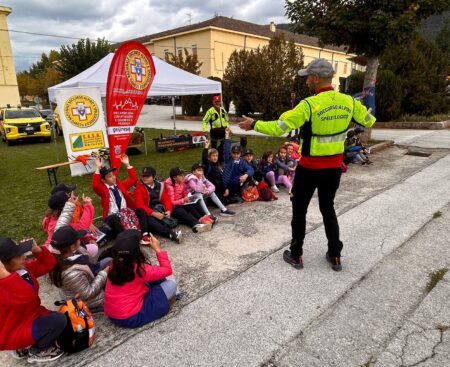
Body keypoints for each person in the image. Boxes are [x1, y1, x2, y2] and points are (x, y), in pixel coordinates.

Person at [238, 58, 376, 271]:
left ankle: (296, 255)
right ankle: (335, 255)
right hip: (334, 169)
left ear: (316, 78)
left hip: (310, 169)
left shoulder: (309, 105)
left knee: (299, 211)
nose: (306, 82)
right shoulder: (348, 101)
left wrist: (254, 124)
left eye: (307, 78)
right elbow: (368, 121)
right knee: (328, 208)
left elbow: (279, 127)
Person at [0, 237, 66, 363]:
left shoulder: (22, 270)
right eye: (18, 255)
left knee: (59, 319)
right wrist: (3, 275)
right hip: (10, 332)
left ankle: (21, 346)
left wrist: (37, 250)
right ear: (3, 265)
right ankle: (37, 351)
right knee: (58, 321)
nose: (24, 257)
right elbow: (25, 295)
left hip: (27, 316)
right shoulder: (3, 286)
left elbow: (49, 264)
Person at [104, 230, 177, 329]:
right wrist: (158, 249)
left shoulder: (114, 264)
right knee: (171, 284)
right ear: (136, 251)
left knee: (154, 278)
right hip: (131, 317)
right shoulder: (139, 269)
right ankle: (166, 301)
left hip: (112, 314)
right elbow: (167, 270)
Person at [49, 226, 111, 313]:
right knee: (116, 292)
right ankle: (93, 308)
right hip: (85, 301)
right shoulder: (71, 273)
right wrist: (103, 274)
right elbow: (88, 293)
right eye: (78, 239)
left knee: (108, 261)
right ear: (72, 247)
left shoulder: (62, 255)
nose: (80, 239)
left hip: (82, 284)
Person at [92, 155, 150, 243]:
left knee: (141, 211)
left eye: (113, 175)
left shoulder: (120, 185)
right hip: (112, 215)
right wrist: (98, 167)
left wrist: (127, 164)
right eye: (109, 176)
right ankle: (127, 238)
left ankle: (145, 234)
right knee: (114, 218)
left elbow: (134, 179)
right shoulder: (103, 190)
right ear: (103, 180)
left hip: (125, 212)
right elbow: (95, 185)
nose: (113, 177)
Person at [134, 167, 182, 244]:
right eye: (143, 176)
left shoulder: (160, 185)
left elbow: (166, 199)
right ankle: (171, 234)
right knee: (150, 220)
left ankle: (195, 223)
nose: (144, 178)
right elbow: (139, 205)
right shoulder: (139, 188)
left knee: (178, 210)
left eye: (147, 176)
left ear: (154, 177)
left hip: (159, 209)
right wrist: (153, 213)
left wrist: (169, 210)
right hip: (147, 212)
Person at [43, 190, 99, 257]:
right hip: (61, 253)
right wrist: (88, 205)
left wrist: (89, 237)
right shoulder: (60, 222)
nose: (72, 199)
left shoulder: (54, 217)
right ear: (65, 206)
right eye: (69, 199)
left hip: (60, 249)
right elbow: (81, 227)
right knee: (94, 248)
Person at [164, 167, 213, 233]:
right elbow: (172, 202)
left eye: (183, 175)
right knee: (183, 213)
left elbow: (184, 192)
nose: (183, 176)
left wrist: (187, 196)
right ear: (174, 177)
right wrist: (184, 199)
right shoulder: (169, 186)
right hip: (174, 207)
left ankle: (204, 217)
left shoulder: (181, 182)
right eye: (180, 175)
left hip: (182, 203)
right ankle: (196, 225)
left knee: (195, 203)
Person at [223, 128, 254, 199]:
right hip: (228, 183)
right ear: (231, 153)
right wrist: (227, 136)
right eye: (234, 153)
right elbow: (226, 149)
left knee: (246, 176)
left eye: (238, 153)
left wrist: (246, 175)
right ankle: (234, 194)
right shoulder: (228, 160)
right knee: (237, 179)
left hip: (239, 182)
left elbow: (250, 169)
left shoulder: (242, 161)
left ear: (240, 154)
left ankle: (240, 193)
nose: (236, 155)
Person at [202, 95, 230, 163]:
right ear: (213, 102)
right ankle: (212, 160)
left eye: (218, 102)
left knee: (224, 145)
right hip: (214, 132)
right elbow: (204, 121)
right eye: (216, 102)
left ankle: (220, 158)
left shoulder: (223, 110)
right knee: (213, 148)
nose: (217, 103)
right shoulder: (210, 111)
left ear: (220, 102)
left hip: (223, 131)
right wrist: (205, 131)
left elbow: (226, 120)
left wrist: (228, 128)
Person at [202, 138, 230, 203]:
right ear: (209, 157)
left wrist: (226, 188)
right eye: (213, 156)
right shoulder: (208, 166)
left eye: (216, 156)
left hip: (220, 188)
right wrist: (206, 147)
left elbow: (221, 179)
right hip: (213, 190)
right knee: (224, 200)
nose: (215, 157)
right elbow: (204, 159)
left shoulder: (218, 165)